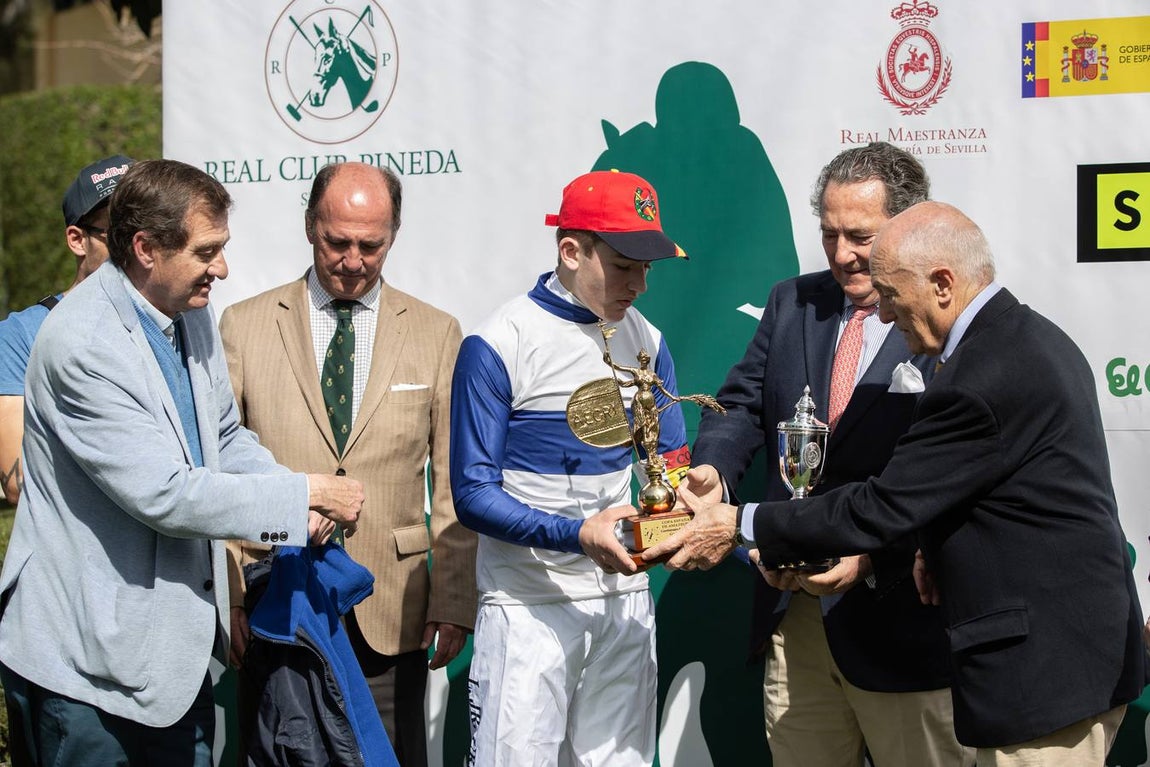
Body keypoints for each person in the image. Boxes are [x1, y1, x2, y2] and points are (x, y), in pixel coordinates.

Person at [653, 201, 1146, 766]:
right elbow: (998, 495)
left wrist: (741, 520)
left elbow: (882, 506)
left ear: (941, 284)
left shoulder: (981, 376)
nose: (882, 316)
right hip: (1060, 663)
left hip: (1043, 676)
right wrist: (927, 549)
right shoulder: (1025, 337)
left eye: (888, 294)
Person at [0, 158, 365, 765]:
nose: (221, 269)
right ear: (145, 248)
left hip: (173, 661)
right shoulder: (81, 344)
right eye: (206, 251)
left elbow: (221, 436)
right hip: (84, 672)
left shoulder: (190, 312)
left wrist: (289, 493)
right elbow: (165, 494)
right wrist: (301, 495)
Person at [688, 142, 972, 766]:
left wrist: (874, 558)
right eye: (829, 234)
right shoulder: (792, 301)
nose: (843, 255)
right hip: (796, 613)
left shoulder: (944, 320)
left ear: (907, 226)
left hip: (903, 618)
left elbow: (955, 470)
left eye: (861, 236)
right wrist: (713, 469)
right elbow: (739, 403)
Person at [220, 161, 477, 766]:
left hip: (393, 608)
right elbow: (220, 474)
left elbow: (451, 484)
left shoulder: (438, 334)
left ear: (393, 236)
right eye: (338, 241)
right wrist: (228, 590)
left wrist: (453, 599)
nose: (354, 259)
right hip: (276, 604)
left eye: (372, 244)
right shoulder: (244, 326)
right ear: (310, 226)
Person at [450, 169, 690, 766]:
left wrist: (694, 492)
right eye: (623, 264)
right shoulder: (499, 342)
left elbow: (670, 465)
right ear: (571, 250)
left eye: (647, 266)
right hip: (528, 607)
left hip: (623, 603)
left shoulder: (648, 340)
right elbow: (473, 495)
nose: (638, 284)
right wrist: (577, 535)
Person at [0, 154, 133, 506]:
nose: (138, 249)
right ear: (77, 240)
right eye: (119, 235)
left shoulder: (177, 324)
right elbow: (19, 479)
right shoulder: (23, 335)